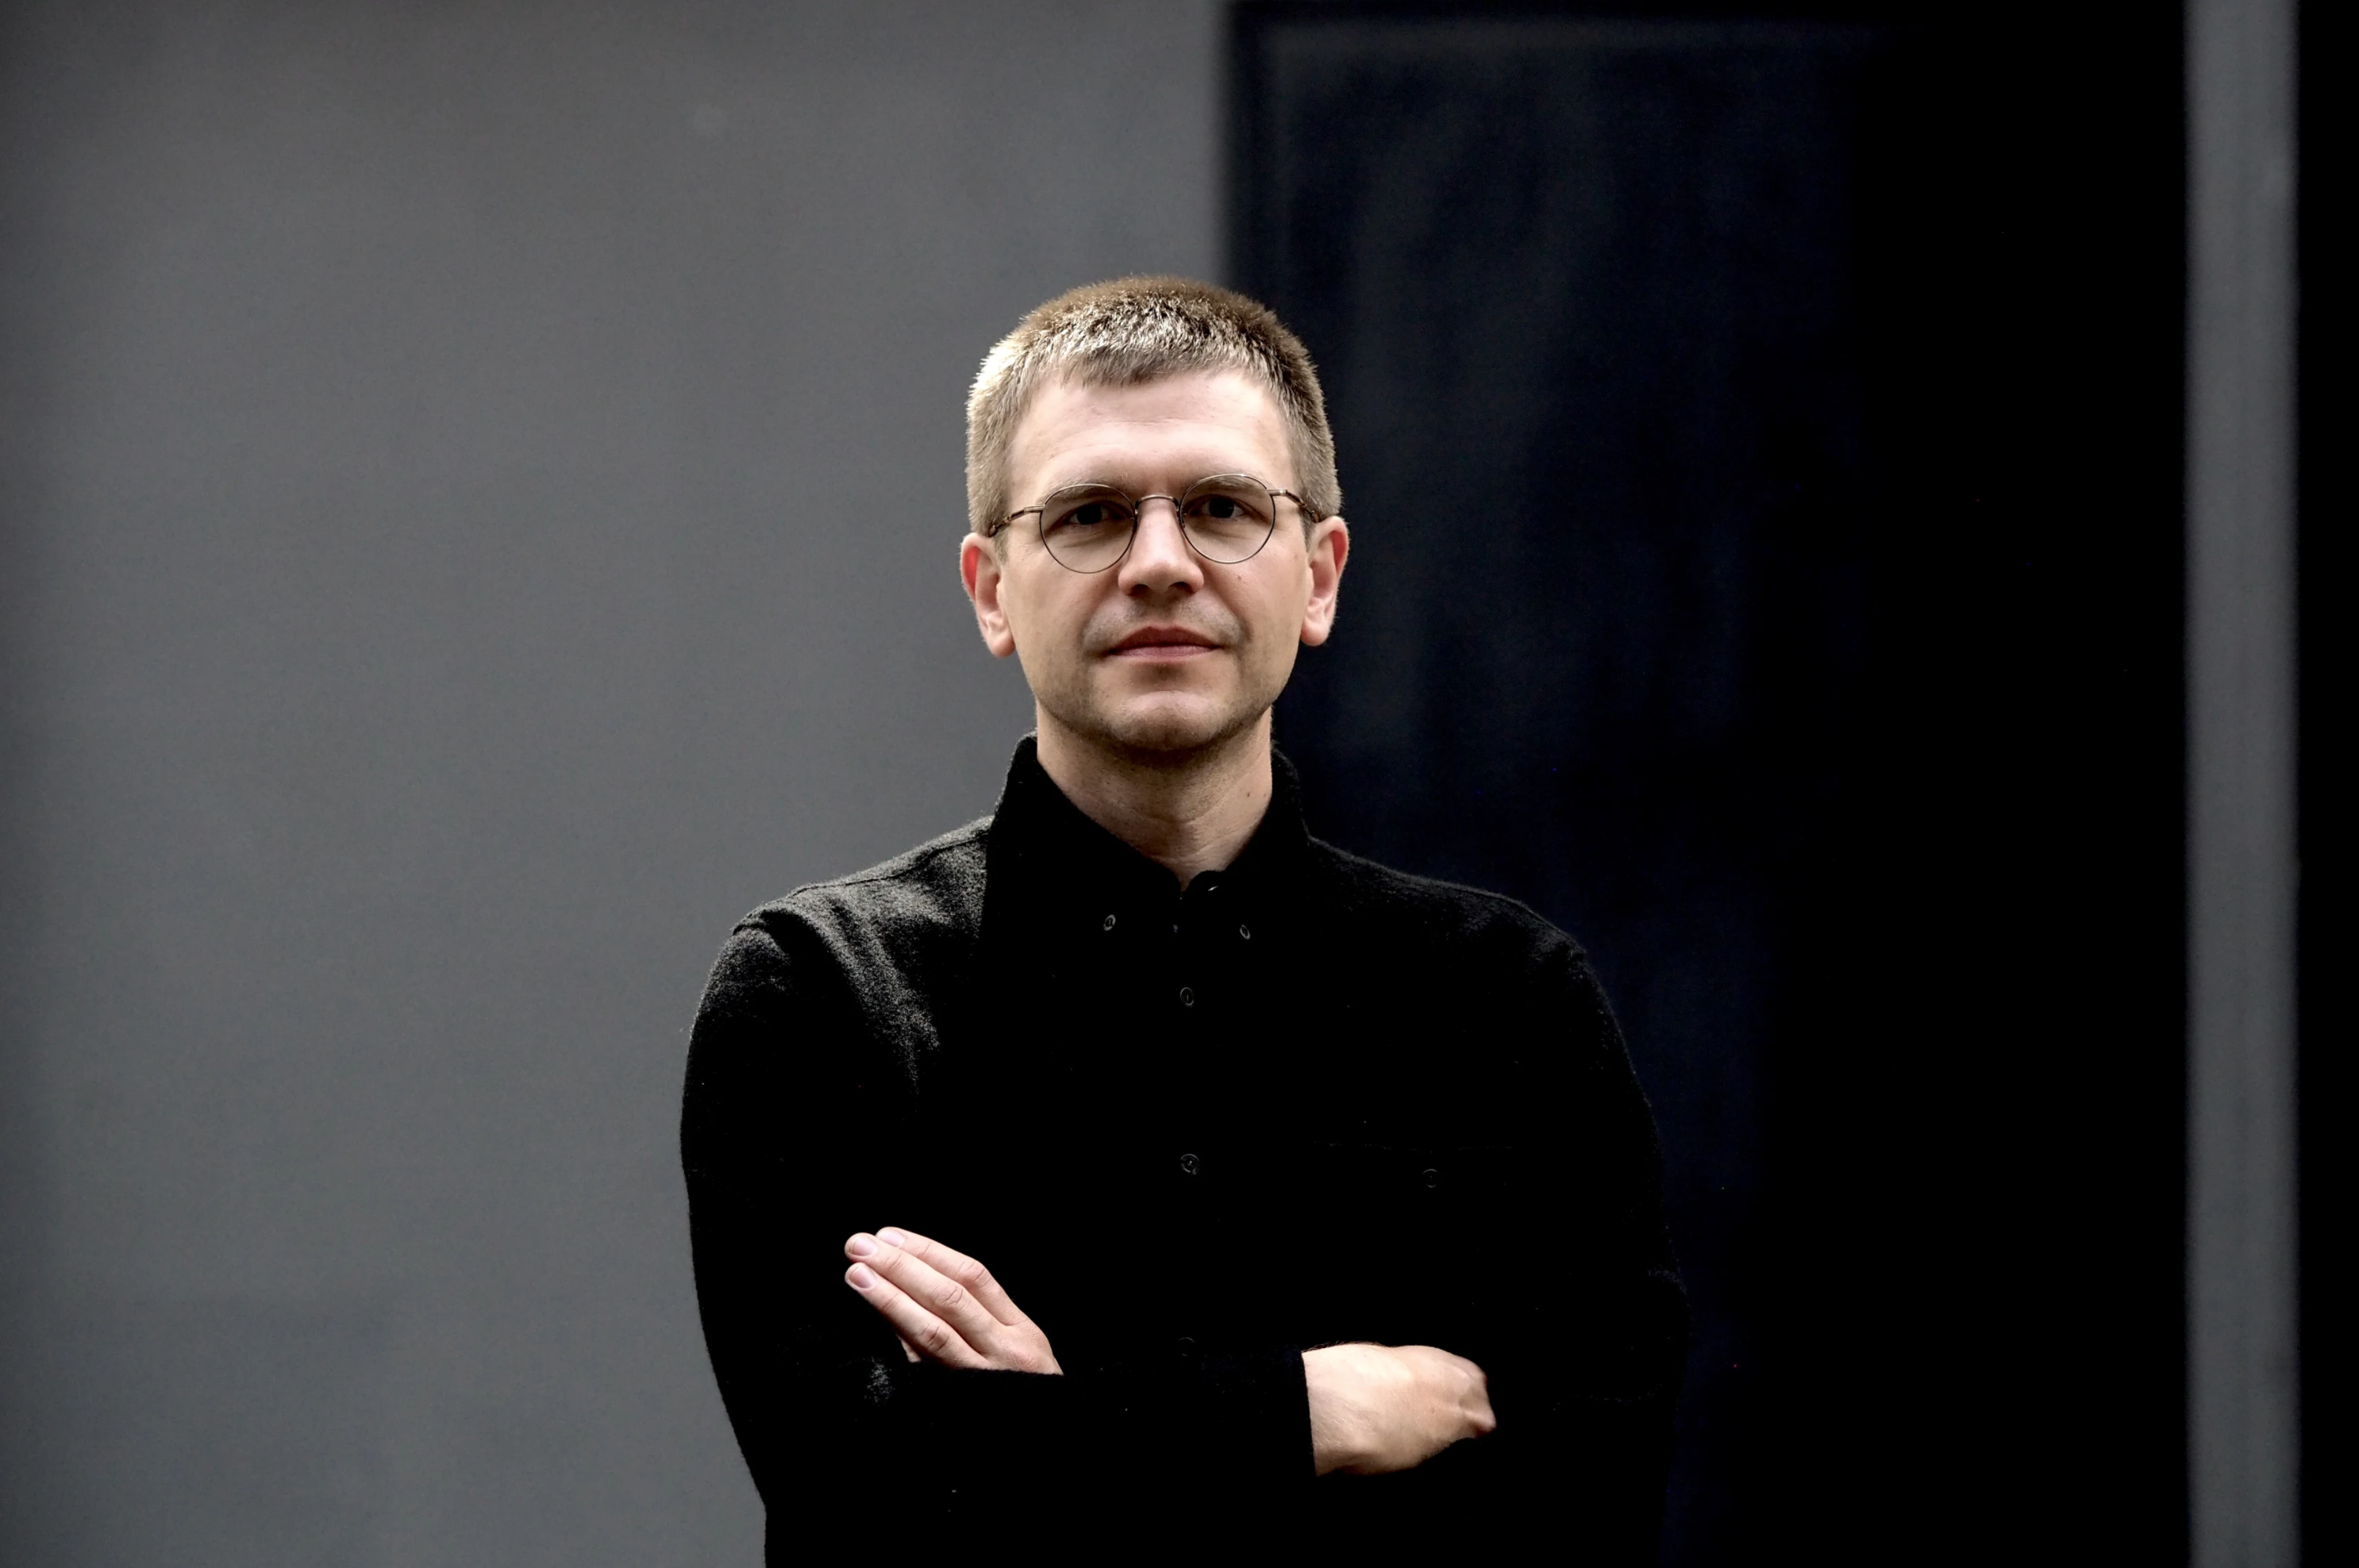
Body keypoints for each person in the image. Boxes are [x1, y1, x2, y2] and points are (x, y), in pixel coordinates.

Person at [682, 277, 1687, 1560]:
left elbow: (1582, 1518)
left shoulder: (1510, 1003)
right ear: (992, 592)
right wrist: (1304, 1414)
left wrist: (1055, 1433)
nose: (1160, 563)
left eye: (1221, 508)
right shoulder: (819, 998)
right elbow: (865, 1500)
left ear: (1318, 577)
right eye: (1091, 515)